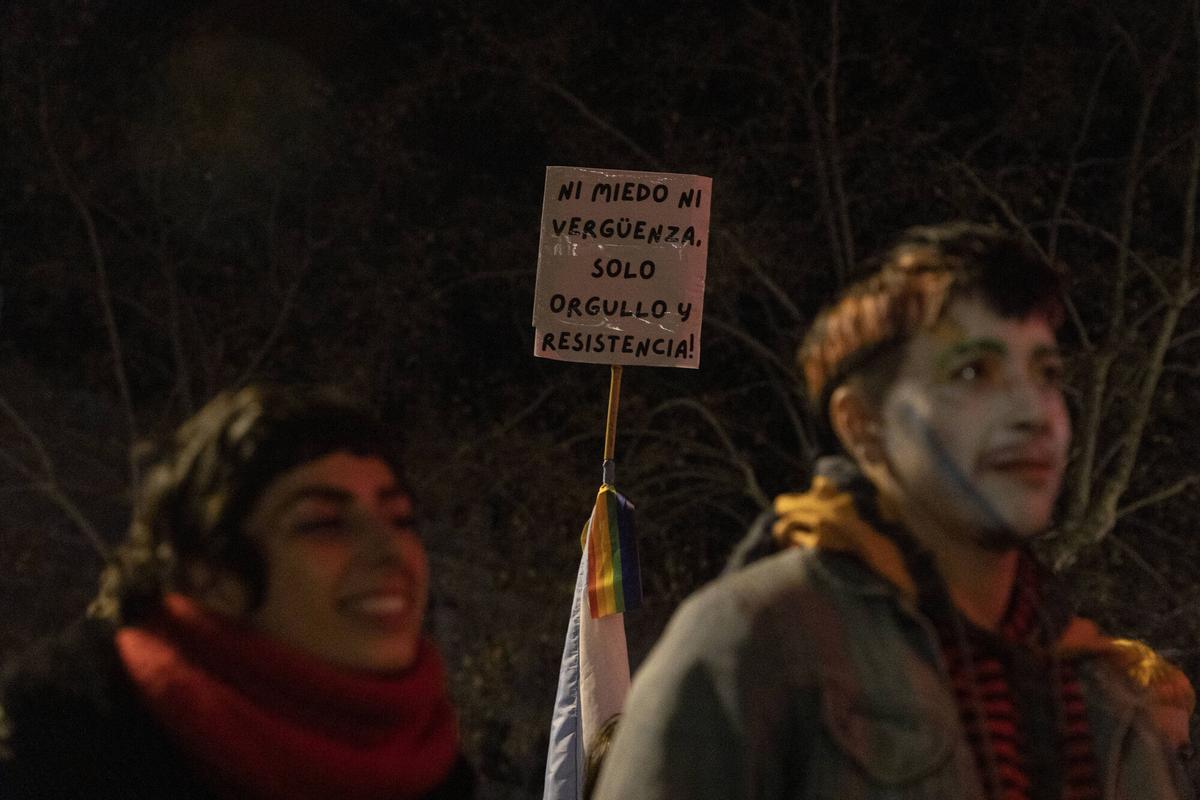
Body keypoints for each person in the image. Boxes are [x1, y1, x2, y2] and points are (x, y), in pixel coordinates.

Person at [594, 223, 1194, 799]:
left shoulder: (1094, 685)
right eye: (972, 372)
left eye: (1047, 372)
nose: (1033, 411)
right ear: (863, 426)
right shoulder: (758, 643)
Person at [0, 385, 475, 799]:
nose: (390, 550)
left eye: (401, 519)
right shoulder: (47, 757)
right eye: (324, 523)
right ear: (211, 572)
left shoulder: (430, 773)